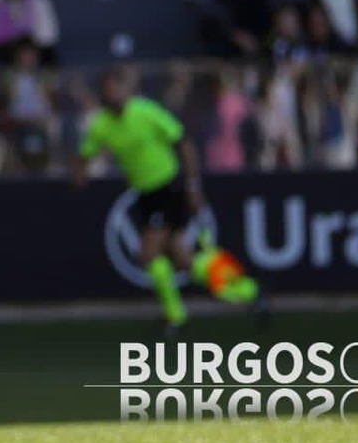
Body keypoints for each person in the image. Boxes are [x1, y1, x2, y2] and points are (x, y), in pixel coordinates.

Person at [74, 68, 260, 331]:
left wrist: (193, 185)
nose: (112, 93)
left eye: (115, 87)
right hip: (145, 194)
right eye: (106, 89)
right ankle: (248, 290)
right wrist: (79, 173)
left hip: (168, 187)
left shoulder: (145, 111)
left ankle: (175, 315)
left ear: (124, 89)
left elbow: (183, 141)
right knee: (182, 259)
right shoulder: (102, 125)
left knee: (148, 253)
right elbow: (85, 154)